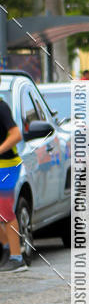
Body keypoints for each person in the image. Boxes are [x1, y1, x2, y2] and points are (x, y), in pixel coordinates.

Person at [0, 98, 26, 272]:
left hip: (7, 166)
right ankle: (7, 248)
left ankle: (17, 259)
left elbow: (17, 135)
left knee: (5, 211)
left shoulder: (1, 107)